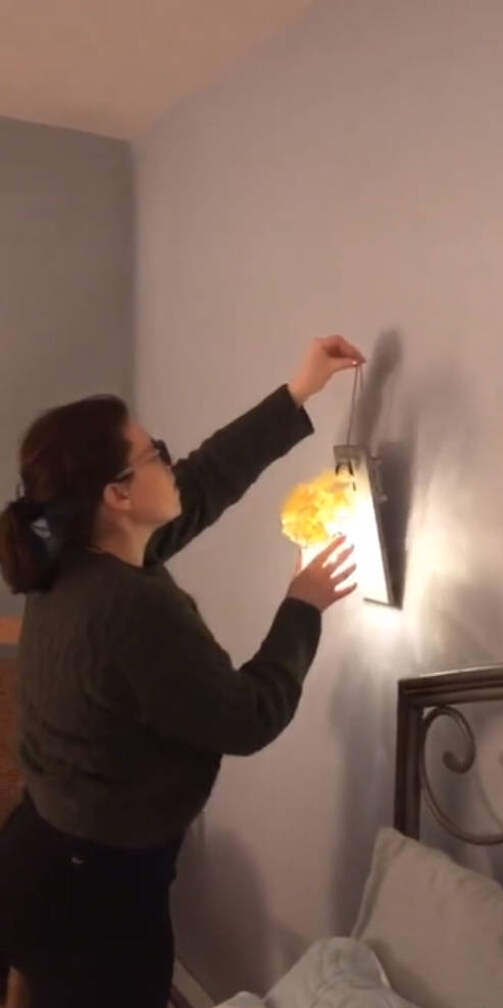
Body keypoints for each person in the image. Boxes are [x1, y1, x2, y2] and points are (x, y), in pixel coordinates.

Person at [0, 335, 365, 1008]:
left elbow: (199, 484)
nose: (169, 463)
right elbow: (248, 717)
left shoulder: (74, 552)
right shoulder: (127, 607)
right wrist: (303, 605)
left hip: (41, 858)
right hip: (92, 903)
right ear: (118, 494)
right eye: (154, 454)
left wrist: (299, 392)